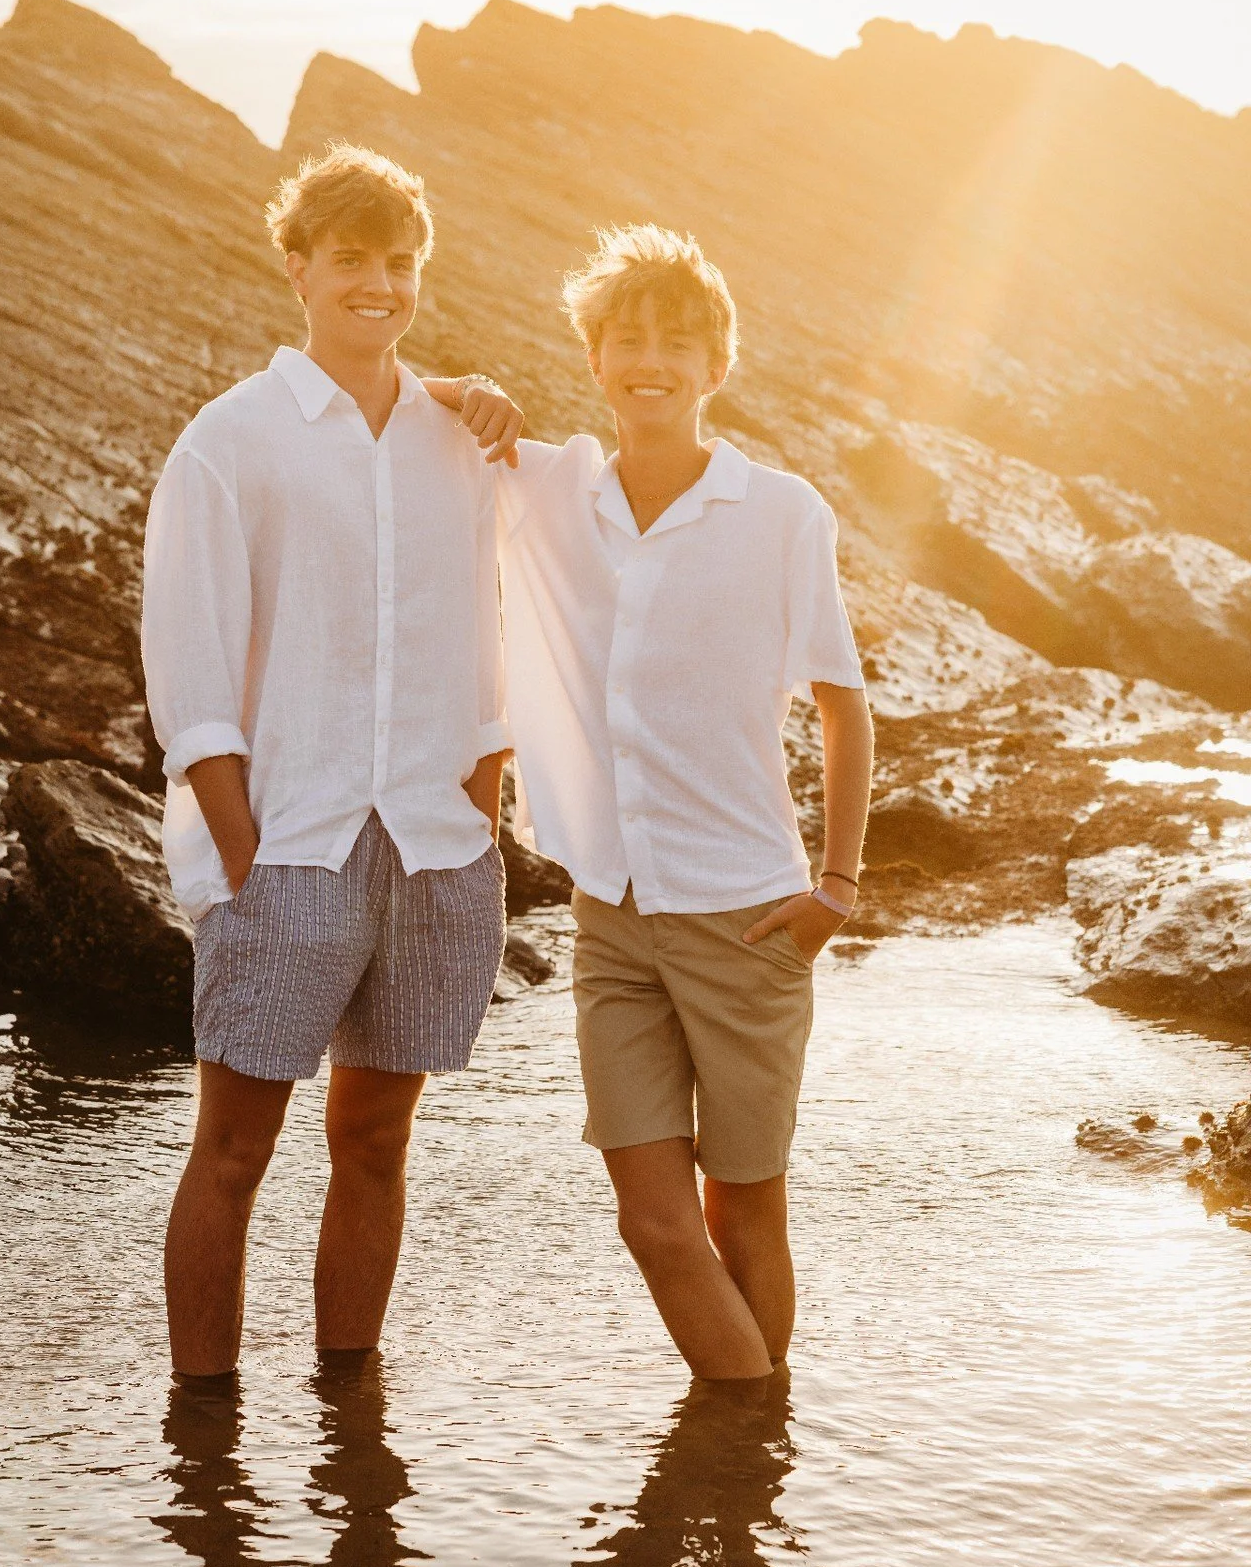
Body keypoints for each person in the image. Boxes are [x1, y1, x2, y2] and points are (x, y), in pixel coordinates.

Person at [428, 225, 874, 1380]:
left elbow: (843, 705)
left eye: (677, 344)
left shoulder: (782, 514)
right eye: (626, 340)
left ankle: (744, 1493)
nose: (650, 362)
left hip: (750, 916)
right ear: (593, 357)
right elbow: (369, 394)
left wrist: (838, 885)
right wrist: (467, 388)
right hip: (610, 916)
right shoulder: (547, 484)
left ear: (716, 364)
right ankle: (752, 1444)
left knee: (746, 1214)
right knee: (651, 1219)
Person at [142, 144, 521, 1382]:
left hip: (430, 844)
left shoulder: (459, 439)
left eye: (401, 262)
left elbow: (496, 624)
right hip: (288, 846)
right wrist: (239, 846)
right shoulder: (230, 441)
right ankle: (204, 1431)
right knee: (235, 1152)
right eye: (352, 259)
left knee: (374, 1147)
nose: (380, 284)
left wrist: (483, 799)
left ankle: (349, 1415)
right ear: (298, 266)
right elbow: (189, 665)